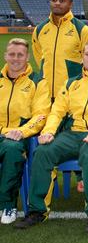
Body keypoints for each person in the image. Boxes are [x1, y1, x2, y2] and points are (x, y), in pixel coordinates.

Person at [15, 41, 88, 232]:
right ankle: (37, 210)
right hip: (72, 134)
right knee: (43, 152)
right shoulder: (71, 83)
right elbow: (57, 111)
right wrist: (49, 131)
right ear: (82, 57)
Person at [0, 39, 50, 225]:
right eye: (12, 54)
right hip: (2, 133)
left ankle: (7, 204)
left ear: (27, 57)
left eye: (20, 55)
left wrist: (21, 132)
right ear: (5, 55)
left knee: (12, 150)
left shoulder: (38, 82)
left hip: (18, 137)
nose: (15, 59)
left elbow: (41, 116)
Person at [32, 0, 88, 101]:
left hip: (71, 93)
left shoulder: (82, 30)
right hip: (45, 93)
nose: (57, 3)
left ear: (70, 4)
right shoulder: (40, 29)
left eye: (62, 0)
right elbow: (39, 57)